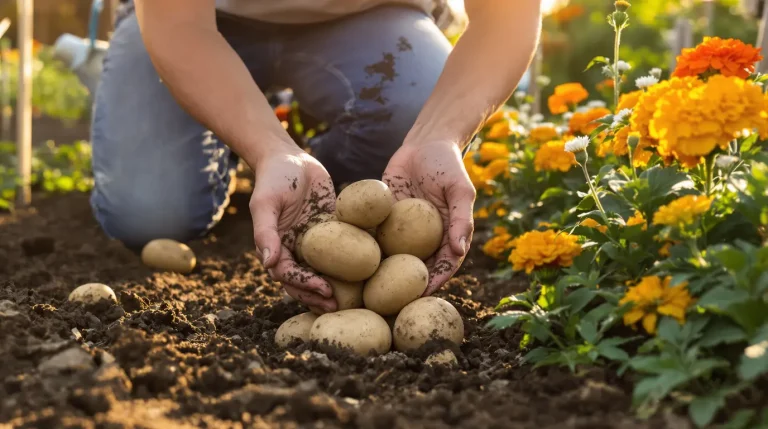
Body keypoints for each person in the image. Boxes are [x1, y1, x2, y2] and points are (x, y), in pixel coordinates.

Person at [89, 0, 542, 312]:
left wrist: (439, 132)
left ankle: (322, 167)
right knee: (149, 212)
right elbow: (179, 24)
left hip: (373, 15)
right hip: (201, 17)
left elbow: (506, 17)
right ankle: (221, 133)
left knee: (410, 124)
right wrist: (268, 149)